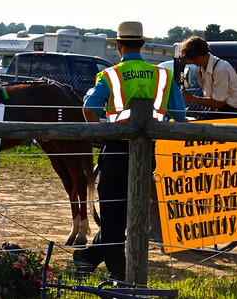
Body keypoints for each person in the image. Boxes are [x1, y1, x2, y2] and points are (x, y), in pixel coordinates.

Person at [75, 21, 186, 281]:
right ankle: (105, 265)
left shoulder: (111, 75)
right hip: (147, 153)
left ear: (119, 45)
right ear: (143, 44)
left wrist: (103, 135)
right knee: (127, 212)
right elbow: (180, 116)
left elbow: (89, 109)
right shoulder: (162, 76)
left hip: (115, 150)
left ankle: (107, 268)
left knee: (114, 213)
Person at [179, 35, 237, 119]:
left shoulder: (221, 68)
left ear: (199, 55)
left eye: (191, 59)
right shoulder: (199, 69)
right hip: (217, 109)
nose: (189, 62)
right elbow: (210, 98)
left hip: (233, 111)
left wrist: (191, 99)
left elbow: (219, 103)